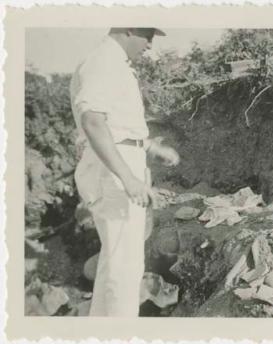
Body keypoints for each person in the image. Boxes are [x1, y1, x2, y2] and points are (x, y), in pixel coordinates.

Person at [70, 27, 179, 316]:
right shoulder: (103, 61)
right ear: (129, 28)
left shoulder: (113, 63)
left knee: (115, 263)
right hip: (114, 172)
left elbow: (117, 126)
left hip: (120, 164)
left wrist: (151, 148)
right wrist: (127, 178)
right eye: (147, 35)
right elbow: (93, 121)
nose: (150, 44)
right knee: (126, 269)